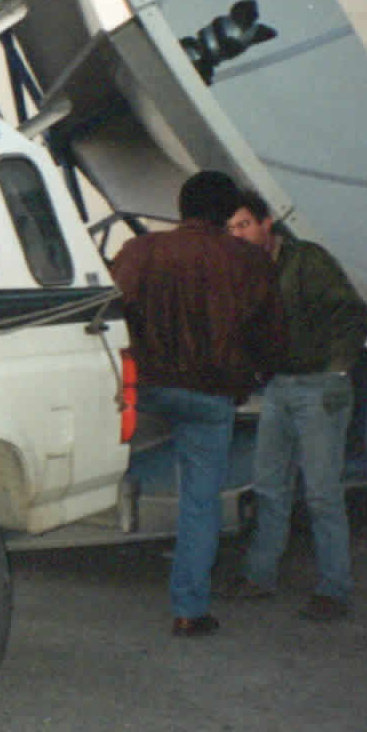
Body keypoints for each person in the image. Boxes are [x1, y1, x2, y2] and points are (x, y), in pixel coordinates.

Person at [109, 170, 284, 637]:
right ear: (228, 213)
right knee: (200, 503)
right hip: (211, 393)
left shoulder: (139, 253)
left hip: (145, 386)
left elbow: (106, 312)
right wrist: (255, 376)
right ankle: (189, 610)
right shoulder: (249, 262)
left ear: (182, 207)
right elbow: (270, 338)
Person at [218, 190, 367, 621]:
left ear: (267, 223)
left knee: (323, 494)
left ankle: (334, 590)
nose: (237, 234)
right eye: (230, 228)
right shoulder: (246, 273)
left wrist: (338, 372)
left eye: (244, 224)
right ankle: (259, 577)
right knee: (269, 487)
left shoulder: (307, 261)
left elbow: (352, 313)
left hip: (318, 387)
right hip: (279, 388)